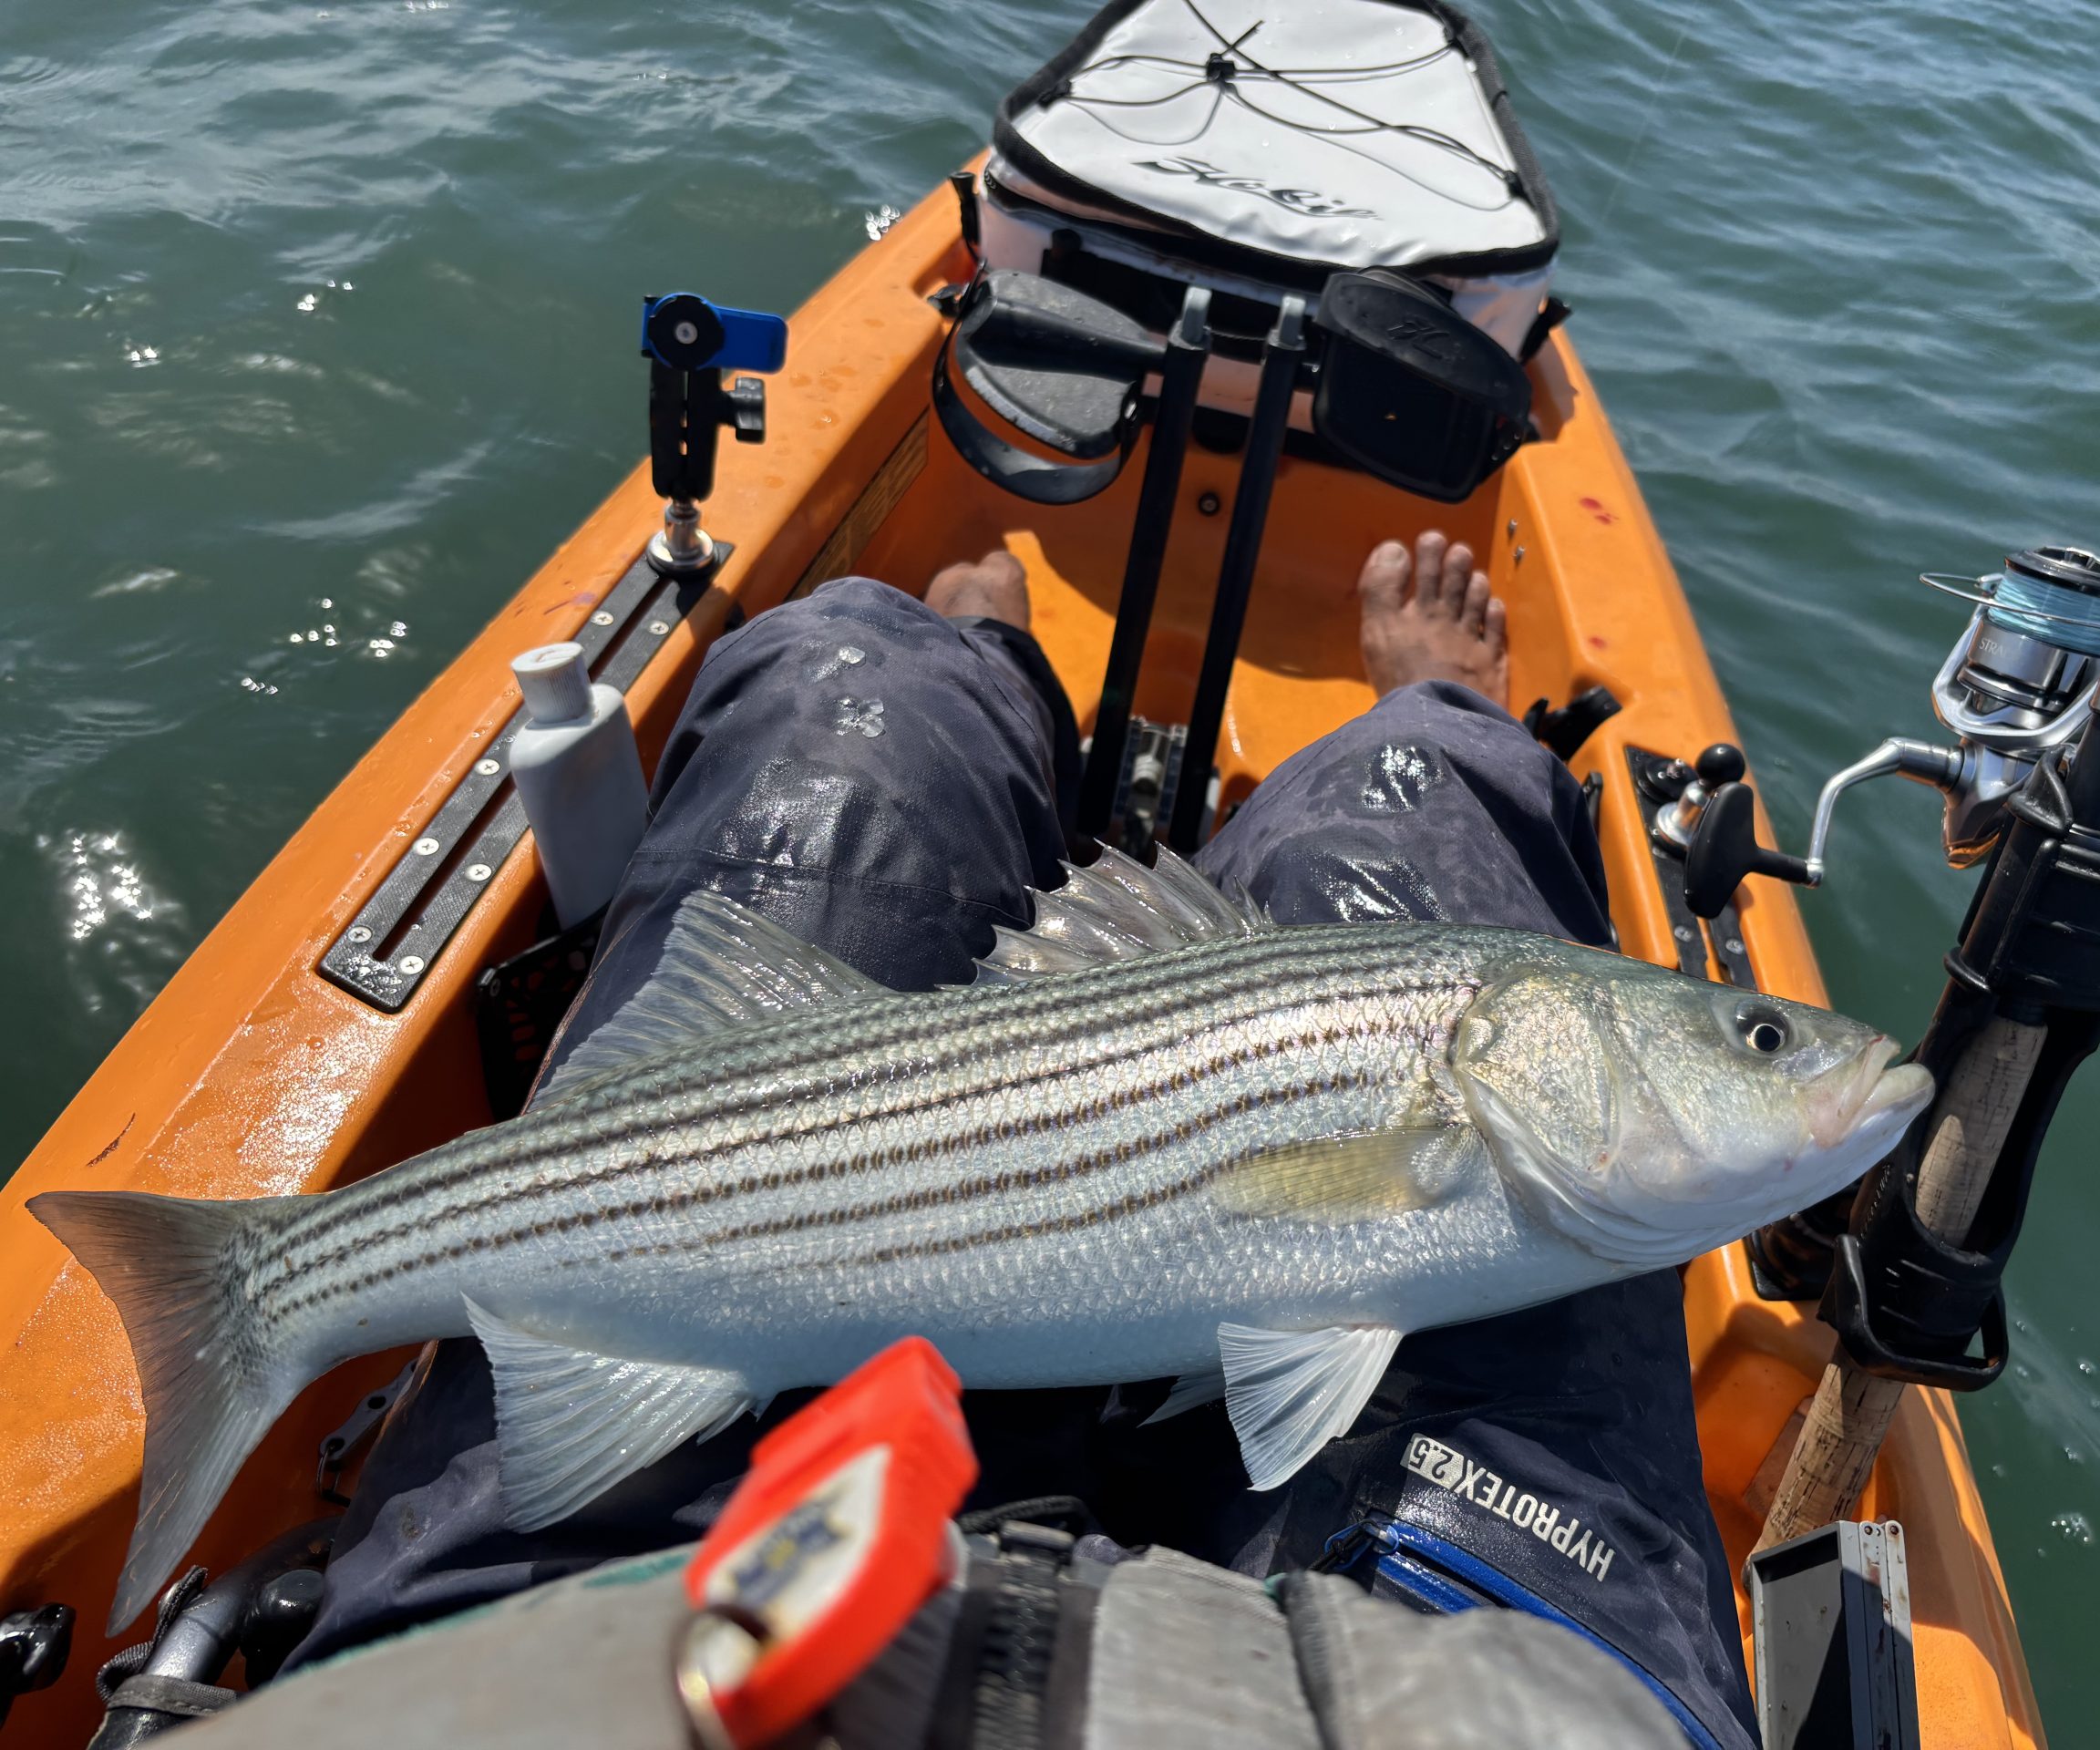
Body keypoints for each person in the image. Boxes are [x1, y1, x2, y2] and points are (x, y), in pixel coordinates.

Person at [290, 534, 1756, 1750]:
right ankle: (1444, 730)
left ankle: (970, 672)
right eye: (1755, 1037)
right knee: (1410, 814)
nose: (1781, 1051)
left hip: (587, 1659)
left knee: (849, 697)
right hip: (1456, 1683)